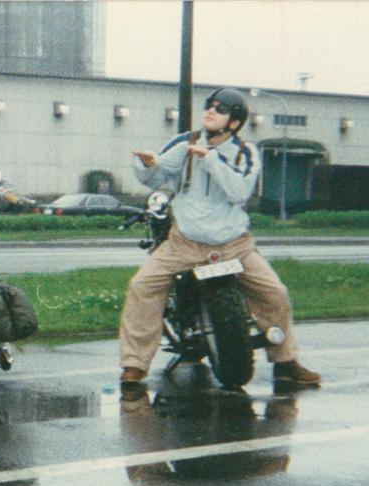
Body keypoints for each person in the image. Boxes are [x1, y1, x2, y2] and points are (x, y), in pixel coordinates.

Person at [120, 88, 321, 388]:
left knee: (275, 293)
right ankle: (134, 366)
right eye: (209, 106)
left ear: (235, 123)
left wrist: (211, 159)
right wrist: (149, 165)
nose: (210, 111)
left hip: (234, 245)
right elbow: (159, 175)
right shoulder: (184, 142)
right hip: (184, 243)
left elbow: (239, 192)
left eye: (220, 109)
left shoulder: (246, 152)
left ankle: (285, 361)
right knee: (142, 287)